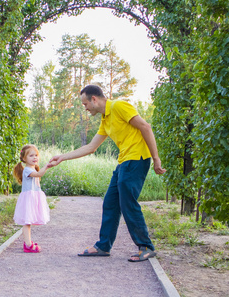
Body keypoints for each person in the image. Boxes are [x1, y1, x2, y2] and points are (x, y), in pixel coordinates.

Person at [48, 84, 166, 262]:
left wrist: (156, 158)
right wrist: (62, 157)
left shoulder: (119, 107)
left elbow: (145, 127)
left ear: (94, 99)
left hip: (137, 159)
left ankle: (146, 247)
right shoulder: (105, 119)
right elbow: (91, 147)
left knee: (128, 203)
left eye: (85, 104)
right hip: (124, 162)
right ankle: (103, 246)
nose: (85, 108)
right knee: (110, 202)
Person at [13, 144, 54, 253]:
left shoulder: (32, 168)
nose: (35, 157)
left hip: (33, 198)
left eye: (36, 155)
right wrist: (47, 166)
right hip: (29, 199)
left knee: (28, 222)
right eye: (31, 156)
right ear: (24, 158)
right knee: (27, 222)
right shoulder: (27, 170)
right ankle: (28, 245)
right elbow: (40, 173)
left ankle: (28, 242)